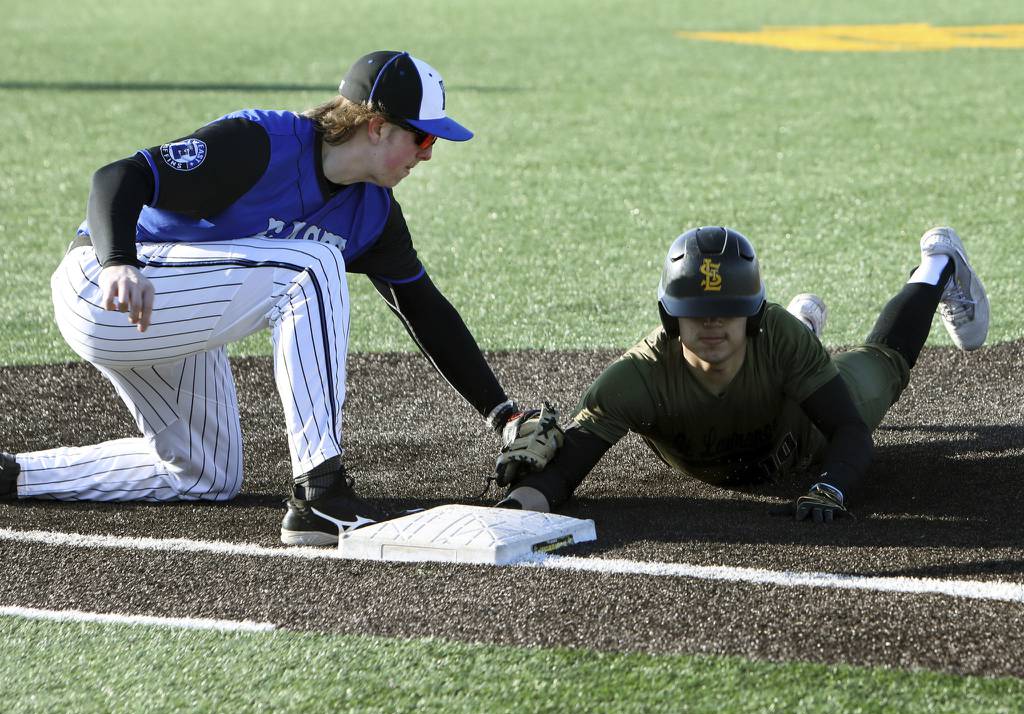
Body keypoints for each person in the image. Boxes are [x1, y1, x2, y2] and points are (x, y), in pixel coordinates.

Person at [0, 50, 542, 546]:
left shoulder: (372, 212)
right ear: (376, 127)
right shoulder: (263, 143)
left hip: (178, 314)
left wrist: (504, 415)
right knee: (310, 267)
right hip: (105, 283)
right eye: (423, 139)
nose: (428, 155)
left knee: (204, 473)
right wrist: (119, 260)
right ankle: (321, 494)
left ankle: (13, 474)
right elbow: (118, 176)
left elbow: (424, 309)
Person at [494, 225, 989, 522]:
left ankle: (938, 262)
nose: (712, 324)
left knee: (887, 364)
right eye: (697, 312)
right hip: (777, 365)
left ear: (752, 315)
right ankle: (805, 330)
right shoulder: (635, 378)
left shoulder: (774, 338)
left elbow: (849, 431)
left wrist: (832, 485)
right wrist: (513, 510)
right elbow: (562, 474)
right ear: (670, 316)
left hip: (803, 429)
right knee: (788, 349)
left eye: (728, 311)